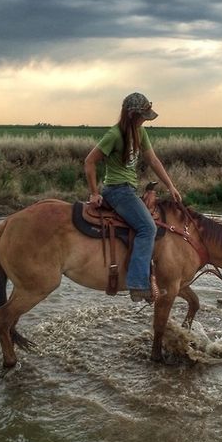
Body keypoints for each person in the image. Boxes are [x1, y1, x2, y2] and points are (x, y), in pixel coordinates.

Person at [84, 92, 182, 302]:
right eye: (142, 116)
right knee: (148, 228)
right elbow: (89, 161)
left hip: (128, 190)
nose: (145, 121)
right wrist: (94, 193)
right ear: (131, 114)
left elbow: (153, 161)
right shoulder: (114, 135)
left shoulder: (140, 133)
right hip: (117, 190)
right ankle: (138, 284)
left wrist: (170, 185)